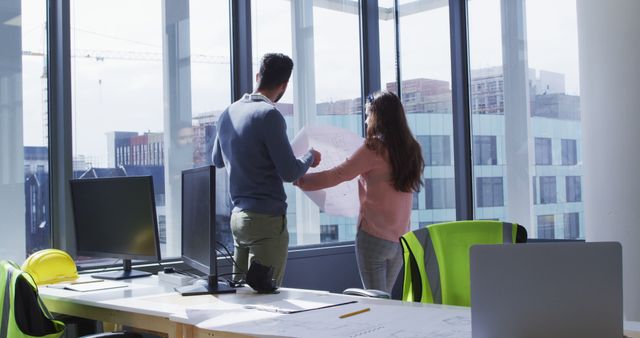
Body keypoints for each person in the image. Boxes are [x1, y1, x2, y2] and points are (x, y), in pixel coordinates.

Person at [295, 91, 424, 293]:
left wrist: (302, 180)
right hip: (400, 241)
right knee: (385, 300)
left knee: (376, 303)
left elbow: (338, 174)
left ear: (377, 116)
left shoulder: (374, 148)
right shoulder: (412, 149)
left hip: (374, 237)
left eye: (367, 114)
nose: (365, 120)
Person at [212, 53, 321, 286]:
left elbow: (217, 160)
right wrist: (310, 156)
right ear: (284, 86)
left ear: (258, 76)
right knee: (266, 298)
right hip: (266, 221)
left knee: (240, 296)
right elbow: (290, 172)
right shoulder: (270, 115)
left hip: (239, 219)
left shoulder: (228, 113)